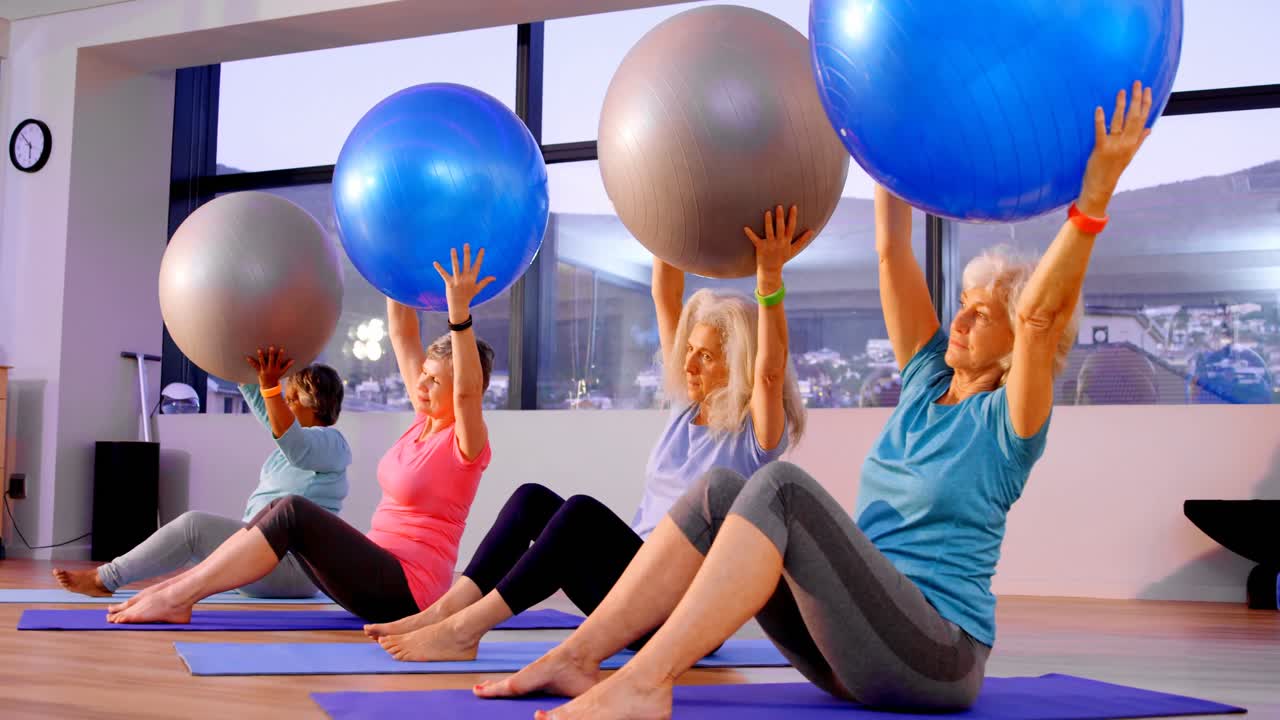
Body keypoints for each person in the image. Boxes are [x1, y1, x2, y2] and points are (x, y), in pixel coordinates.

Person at [472, 82, 1154, 718]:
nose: (962, 320)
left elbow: (1039, 318)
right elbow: (892, 251)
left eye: (983, 315)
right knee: (719, 490)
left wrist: (1093, 199)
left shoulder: (1010, 423)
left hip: (935, 656)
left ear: (1013, 346)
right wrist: (882, 135)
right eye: (964, 305)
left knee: (783, 489)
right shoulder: (923, 379)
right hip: (850, 649)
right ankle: (575, 657)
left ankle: (646, 682)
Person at [364, 206, 811, 663]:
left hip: (681, 611)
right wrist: (664, 212)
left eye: (707, 357)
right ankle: (444, 611)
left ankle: (466, 629)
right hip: (632, 588)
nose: (689, 364)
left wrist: (770, 279)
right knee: (531, 499)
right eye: (689, 351)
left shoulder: (756, 434)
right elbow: (666, 295)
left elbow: (770, 373)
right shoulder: (686, 410)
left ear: (737, 364)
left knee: (579, 515)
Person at [104, 244, 496, 624]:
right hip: (373, 573)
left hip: (408, 590)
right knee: (277, 510)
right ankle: (177, 590)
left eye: (435, 381)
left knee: (293, 509)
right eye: (423, 375)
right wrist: (390, 260)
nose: (422, 385)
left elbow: (465, 390)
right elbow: (402, 334)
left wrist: (458, 311)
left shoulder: (466, 441)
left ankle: (177, 596)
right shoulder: (421, 420)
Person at [54, 355, 349, 599]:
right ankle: (140, 586)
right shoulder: (285, 451)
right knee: (193, 546)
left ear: (314, 403)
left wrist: (270, 389)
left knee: (193, 526)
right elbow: (269, 415)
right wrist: (244, 367)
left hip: (293, 570)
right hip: (263, 559)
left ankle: (105, 579)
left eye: (291, 399)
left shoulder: (332, 443)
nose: (283, 405)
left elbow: (295, 443)